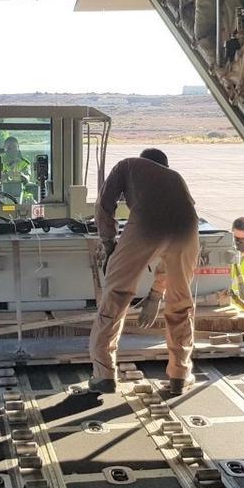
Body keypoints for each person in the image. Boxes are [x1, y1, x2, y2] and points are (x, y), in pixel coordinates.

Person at [89, 148, 199, 396]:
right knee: (181, 303)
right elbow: (168, 251)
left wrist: (109, 244)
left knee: (115, 297)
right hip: (188, 228)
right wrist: (156, 294)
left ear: (143, 160)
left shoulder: (127, 165)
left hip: (145, 227)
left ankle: (104, 375)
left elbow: (104, 205)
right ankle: (180, 375)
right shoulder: (176, 178)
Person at [0, 136, 32, 201]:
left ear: (18, 148)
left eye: (14, 147)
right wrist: (6, 175)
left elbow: (27, 179)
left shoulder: (24, 163)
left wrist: (20, 176)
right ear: (4, 149)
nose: (12, 150)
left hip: (22, 195)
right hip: (1, 194)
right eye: (9, 148)